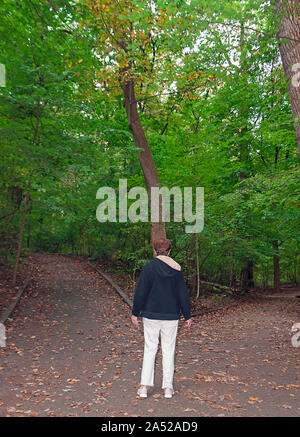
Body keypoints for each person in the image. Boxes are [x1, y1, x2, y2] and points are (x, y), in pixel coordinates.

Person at [131, 237, 192, 399]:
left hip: (151, 315)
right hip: (171, 316)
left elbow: (141, 291)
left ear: (154, 251)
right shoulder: (177, 269)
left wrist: (135, 312)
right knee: (168, 350)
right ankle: (168, 388)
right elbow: (182, 294)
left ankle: (144, 387)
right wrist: (187, 315)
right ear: (170, 251)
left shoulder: (149, 267)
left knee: (150, 348)